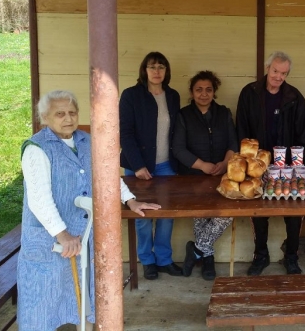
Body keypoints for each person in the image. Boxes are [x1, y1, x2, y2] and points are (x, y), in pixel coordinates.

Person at [18, 90, 160, 331]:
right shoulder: (36, 148)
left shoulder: (86, 141)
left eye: (72, 112)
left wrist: (130, 201)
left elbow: (108, 177)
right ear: (45, 117)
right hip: (49, 240)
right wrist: (62, 234)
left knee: (83, 296)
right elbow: (39, 199)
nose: (68, 118)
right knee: (43, 301)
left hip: (81, 236)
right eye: (60, 113)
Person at [236, 51, 305, 276]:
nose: (279, 76)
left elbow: (303, 134)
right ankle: (260, 255)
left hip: (289, 164)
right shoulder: (249, 93)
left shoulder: (295, 97)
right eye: (276, 71)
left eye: (284, 73)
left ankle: (291, 255)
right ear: (268, 68)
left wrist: (298, 165)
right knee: (259, 212)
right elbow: (242, 128)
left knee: (294, 210)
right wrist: (248, 162)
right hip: (257, 163)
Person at [119, 51, 183, 280]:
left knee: (166, 215)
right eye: (152, 67)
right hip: (138, 166)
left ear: (166, 72)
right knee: (142, 214)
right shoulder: (131, 96)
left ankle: (164, 259)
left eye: (161, 67)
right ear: (144, 70)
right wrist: (137, 165)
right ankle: (147, 260)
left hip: (166, 164)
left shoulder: (173, 96)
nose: (157, 71)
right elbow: (124, 133)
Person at [172, 70, 238, 280]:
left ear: (214, 92)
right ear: (192, 92)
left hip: (222, 175)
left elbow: (233, 143)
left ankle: (197, 249)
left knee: (226, 214)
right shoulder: (183, 115)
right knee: (201, 219)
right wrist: (203, 166)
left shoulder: (223, 113)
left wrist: (225, 163)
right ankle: (207, 257)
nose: (204, 94)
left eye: (208, 89)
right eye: (199, 90)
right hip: (193, 176)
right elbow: (178, 148)